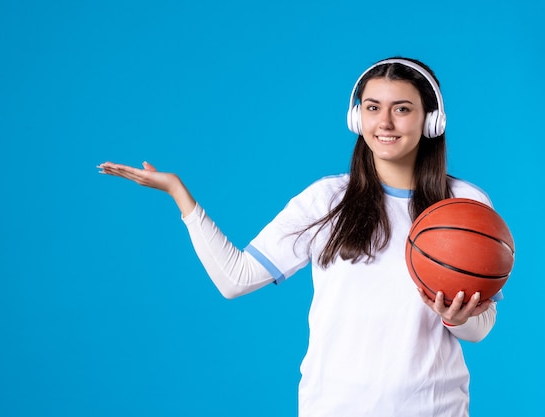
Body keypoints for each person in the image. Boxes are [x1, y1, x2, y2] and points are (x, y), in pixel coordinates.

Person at [97, 57, 500, 417]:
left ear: (431, 121)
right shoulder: (326, 199)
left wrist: (457, 319)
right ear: (357, 118)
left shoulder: (465, 203)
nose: (385, 123)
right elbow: (234, 278)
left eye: (403, 109)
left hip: (434, 407)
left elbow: (479, 329)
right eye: (373, 108)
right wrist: (180, 195)